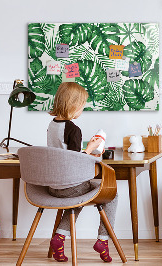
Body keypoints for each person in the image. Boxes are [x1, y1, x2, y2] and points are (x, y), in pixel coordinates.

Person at [47, 82, 117, 263]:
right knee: (112, 194)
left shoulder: (52, 125)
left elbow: (64, 155)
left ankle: (59, 238)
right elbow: (75, 161)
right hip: (70, 186)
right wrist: (91, 148)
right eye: (82, 106)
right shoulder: (73, 129)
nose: (81, 110)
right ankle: (103, 240)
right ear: (73, 105)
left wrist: (87, 150)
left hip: (53, 186)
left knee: (77, 197)